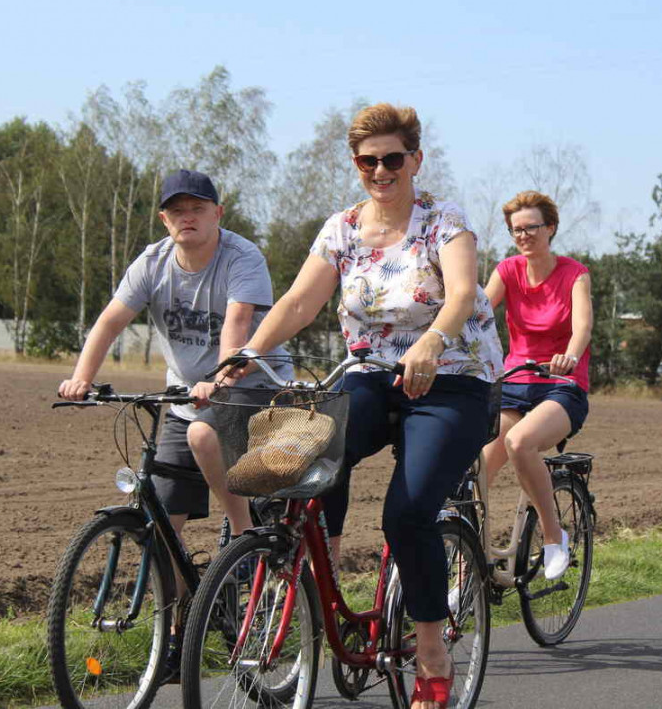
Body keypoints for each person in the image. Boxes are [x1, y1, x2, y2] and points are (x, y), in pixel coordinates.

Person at [200, 103, 503, 709]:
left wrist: (431, 341)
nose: (381, 170)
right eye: (369, 161)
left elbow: (464, 293)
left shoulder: (444, 219)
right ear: (357, 166)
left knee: (408, 514)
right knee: (302, 449)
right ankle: (318, 571)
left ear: (415, 160)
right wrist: (245, 352)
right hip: (373, 375)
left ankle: (433, 653)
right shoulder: (341, 229)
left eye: (393, 158)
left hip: (452, 379)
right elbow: (297, 302)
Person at [57, 168, 290, 675]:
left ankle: (243, 536)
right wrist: (81, 378)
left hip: (251, 386)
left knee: (207, 435)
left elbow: (237, 328)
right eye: (177, 210)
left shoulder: (241, 256)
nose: (187, 217)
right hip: (186, 396)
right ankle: (174, 640)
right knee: (163, 529)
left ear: (216, 214)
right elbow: (111, 320)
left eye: (197, 208)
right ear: (165, 218)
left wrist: (222, 377)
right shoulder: (153, 261)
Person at [481, 190, 593, 580]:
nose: (524, 235)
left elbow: (582, 327)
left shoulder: (574, 274)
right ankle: (469, 567)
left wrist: (571, 355)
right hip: (514, 383)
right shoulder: (508, 270)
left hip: (561, 384)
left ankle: (551, 535)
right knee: (473, 470)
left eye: (531, 227)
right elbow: (477, 314)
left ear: (551, 229)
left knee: (520, 443)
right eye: (516, 230)